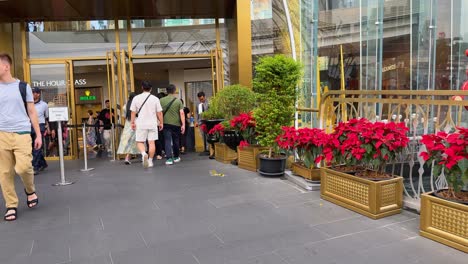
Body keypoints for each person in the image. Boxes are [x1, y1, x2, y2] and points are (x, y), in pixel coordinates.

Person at [0, 53, 40, 221]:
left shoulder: (23, 86)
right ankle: (11, 205)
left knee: (23, 168)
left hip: (22, 133)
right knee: (5, 172)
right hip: (2, 133)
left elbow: (32, 111)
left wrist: (38, 134)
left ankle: (30, 190)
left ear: (6, 66)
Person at [130, 81, 163, 168]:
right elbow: (159, 113)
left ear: (142, 88)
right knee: (152, 143)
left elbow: (133, 112)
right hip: (152, 123)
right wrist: (161, 123)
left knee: (139, 142)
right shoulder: (155, 99)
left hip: (141, 124)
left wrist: (132, 122)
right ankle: (150, 161)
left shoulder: (136, 98)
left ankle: (144, 153)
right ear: (151, 89)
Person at [160, 84, 185, 165]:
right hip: (176, 124)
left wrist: (160, 122)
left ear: (166, 91)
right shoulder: (178, 101)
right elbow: (181, 113)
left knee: (167, 140)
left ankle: (169, 159)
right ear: (174, 91)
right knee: (176, 140)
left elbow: (159, 113)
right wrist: (183, 125)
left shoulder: (161, 100)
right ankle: (176, 157)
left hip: (165, 123)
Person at [117, 92, 139, 164]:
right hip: (137, 123)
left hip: (128, 125)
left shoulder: (125, 106)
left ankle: (127, 157)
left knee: (129, 141)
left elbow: (123, 116)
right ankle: (144, 155)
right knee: (139, 140)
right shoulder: (137, 105)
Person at [31, 87, 48, 174]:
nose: (33, 94)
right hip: (29, 125)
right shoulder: (27, 103)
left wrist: (49, 128)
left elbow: (47, 117)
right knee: (30, 147)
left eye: (34, 92)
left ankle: (35, 166)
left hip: (40, 125)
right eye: (31, 92)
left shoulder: (44, 105)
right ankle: (43, 163)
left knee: (36, 147)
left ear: (38, 94)